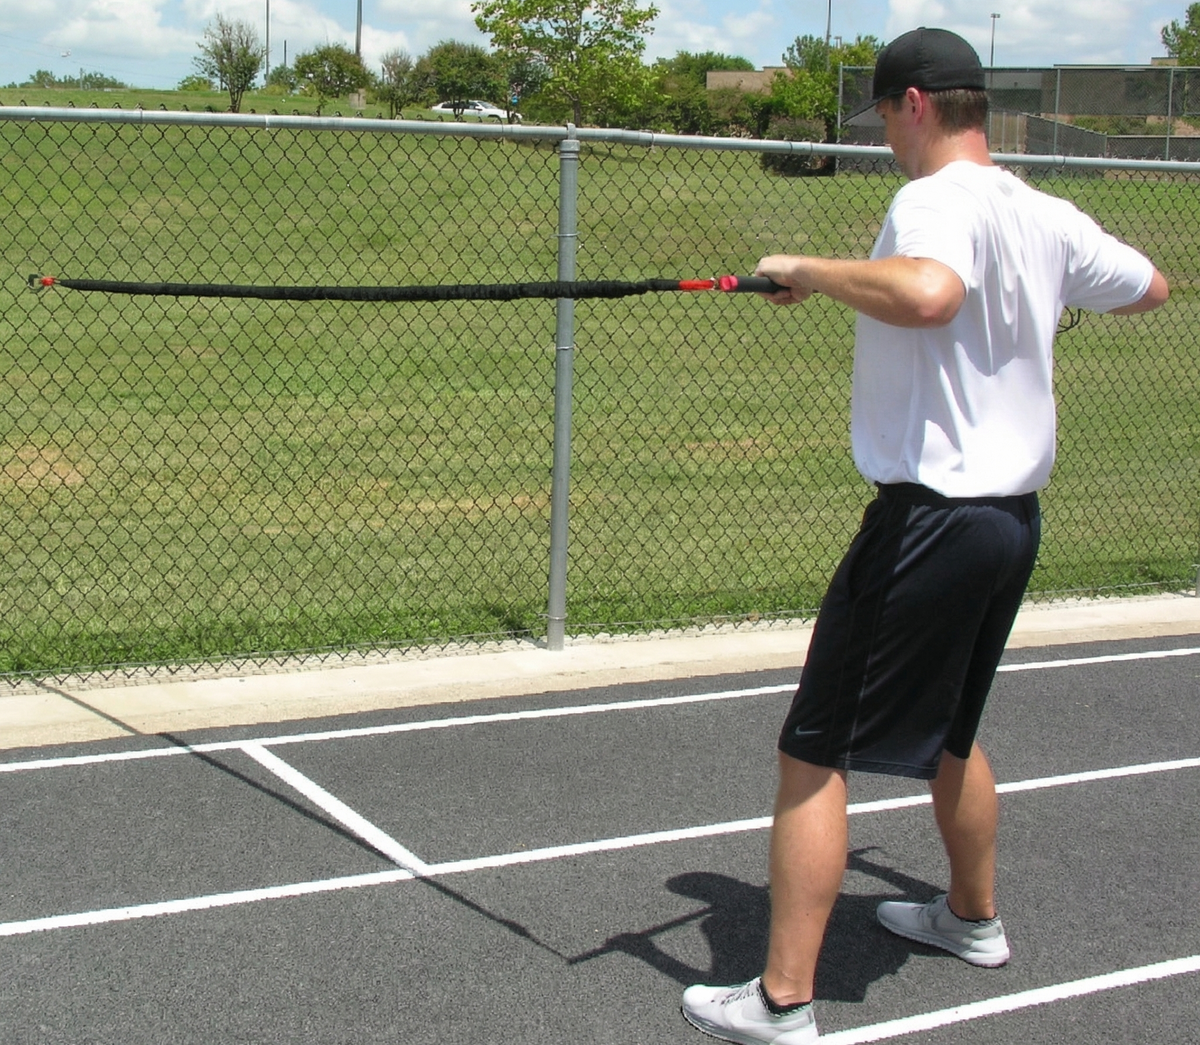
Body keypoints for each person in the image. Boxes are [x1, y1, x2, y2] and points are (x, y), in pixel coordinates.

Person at [680, 26, 1168, 1045]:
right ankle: (971, 920)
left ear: (913, 105)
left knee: (813, 750)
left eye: (886, 120)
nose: (888, 142)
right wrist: (1036, 300)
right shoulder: (1040, 210)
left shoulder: (932, 200)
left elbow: (932, 290)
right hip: (1009, 525)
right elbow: (1150, 285)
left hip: (933, 522)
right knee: (949, 731)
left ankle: (781, 999)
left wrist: (807, 269)